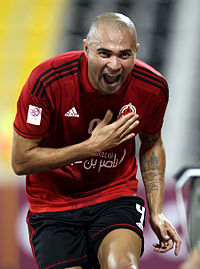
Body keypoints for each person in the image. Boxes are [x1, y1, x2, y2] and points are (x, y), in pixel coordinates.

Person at [11, 12, 181, 269]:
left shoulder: (152, 87)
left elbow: (152, 142)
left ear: (136, 51)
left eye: (124, 55)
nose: (114, 65)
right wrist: (91, 147)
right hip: (52, 204)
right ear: (86, 49)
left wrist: (156, 211)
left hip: (113, 196)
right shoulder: (48, 81)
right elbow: (21, 161)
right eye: (104, 54)